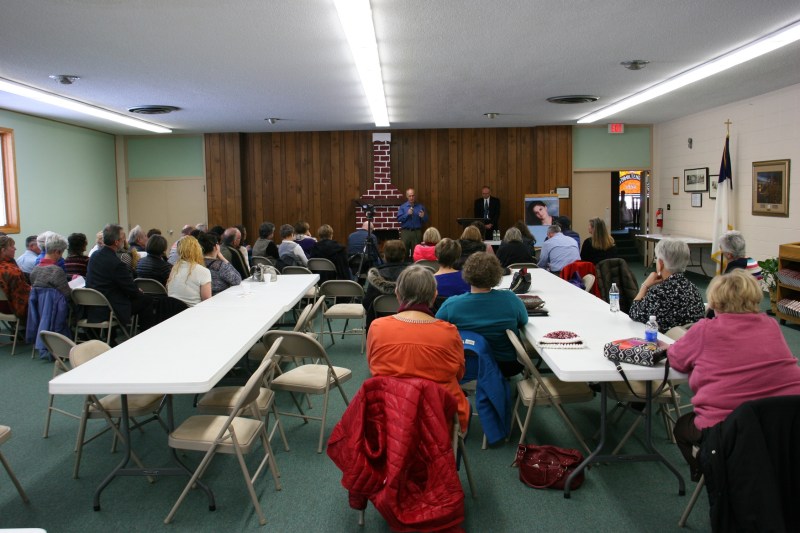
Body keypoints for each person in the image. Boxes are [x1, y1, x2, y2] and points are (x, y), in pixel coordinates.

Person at [668, 270, 800, 481]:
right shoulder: (770, 325)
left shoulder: (705, 329)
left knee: (682, 429)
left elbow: (676, 360)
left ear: (715, 301)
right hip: (785, 425)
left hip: (729, 429)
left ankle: (715, 477)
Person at [367, 265, 469, 431]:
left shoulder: (377, 327)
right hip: (439, 417)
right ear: (434, 295)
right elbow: (458, 374)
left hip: (390, 412)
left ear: (397, 293)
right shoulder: (449, 332)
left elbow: (373, 367)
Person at [436, 252, 528, 377]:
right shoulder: (511, 299)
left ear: (466, 273)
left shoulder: (451, 305)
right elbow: (523, 322)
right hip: (506, 364)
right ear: (497, 274)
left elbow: (437, 332)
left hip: (466, 364)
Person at [629, 238, 705, 332]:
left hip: (667, 342)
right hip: (692, 341)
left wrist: (645, 286)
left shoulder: (659, 292)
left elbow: (634, 312)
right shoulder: (693, 289)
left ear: (661, 263)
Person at [85, 224, 152, 328]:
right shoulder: (116, 263)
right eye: (123, 238)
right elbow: (129, 288)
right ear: (116, 242)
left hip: (93, 307)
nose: (125, 240)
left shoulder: (94, 256)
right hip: (111, 307)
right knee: (146, 299)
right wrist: (138, 291)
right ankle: (145, 334)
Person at [364, 240, 410, 328]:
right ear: (404, 255)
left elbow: (367, 303)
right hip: (408, 322)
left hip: (382, 324)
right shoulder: (414, 275)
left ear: (384, 256)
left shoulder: (376, 276)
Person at [167, 235, 211, 307]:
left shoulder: (174, 268)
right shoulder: (203, 271)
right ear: (198, 250)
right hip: (193, 313)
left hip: (173, 313)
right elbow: (206, 300)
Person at [30, 233, 71, 301]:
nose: (61, 256)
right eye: (61, 253)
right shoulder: (57, 271)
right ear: (57, 252)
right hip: (57, 309)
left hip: (39, 309)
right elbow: (67, 295)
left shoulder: (35, 270)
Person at [0, 235, 31, 319]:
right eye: (12, 246)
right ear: (3, 250)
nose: (15, 248)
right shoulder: (12, 271)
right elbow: (23, 294)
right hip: (10, 308)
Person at [397, 188, 428, 258]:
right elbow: (399, 219)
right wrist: (407, 214)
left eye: (413, 196)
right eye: (410, 196)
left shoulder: (420, 207)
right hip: (406, 232)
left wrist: (423, 216)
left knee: (417, 253)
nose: (411, 198)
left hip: (417, 232)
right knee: (404, 253)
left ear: (415, 196)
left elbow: (426, 220)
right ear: (407, 196)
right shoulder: (403, 207)